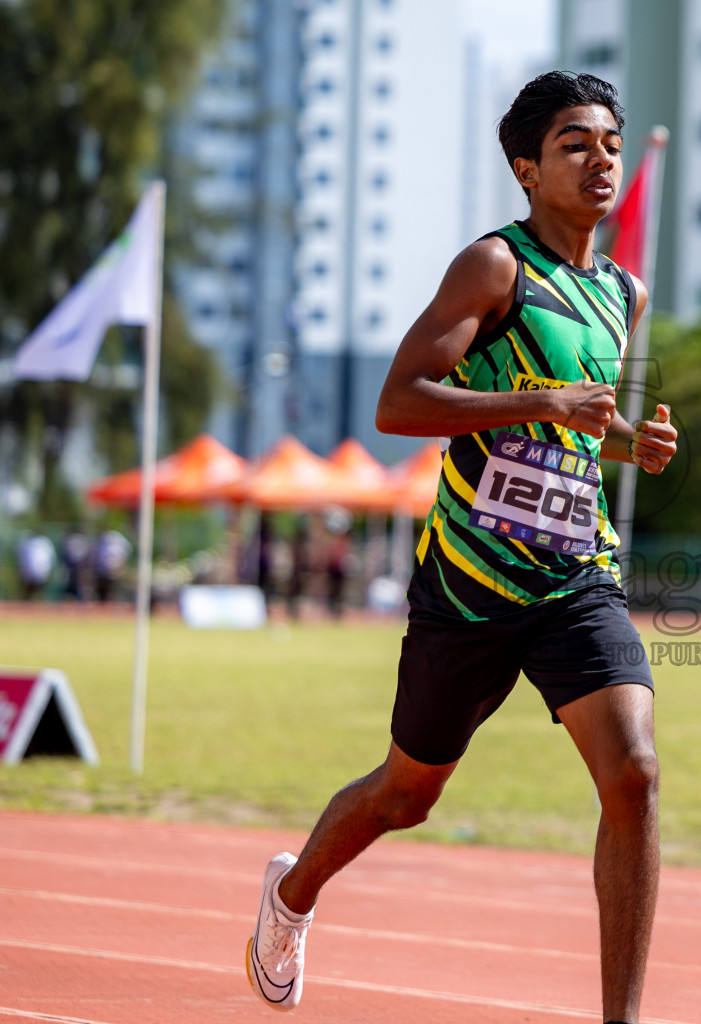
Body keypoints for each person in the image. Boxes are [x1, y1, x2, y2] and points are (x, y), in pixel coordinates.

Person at [246, 72, 678, 1024]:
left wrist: (624, 441)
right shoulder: (494, 268)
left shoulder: (622, 292)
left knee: (635, 771)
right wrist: (544, 403)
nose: (601, 159)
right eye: (575, 144)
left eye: (608, 142)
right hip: (472, 585)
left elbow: (573, 423)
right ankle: (292, 893)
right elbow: (398, 403)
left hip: (575, 573)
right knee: (408, 793)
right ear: (527, 169)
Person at [92, 529, 129, 604]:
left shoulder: (118, 548)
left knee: (115, 590)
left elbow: (122, 561)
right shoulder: (104, 548)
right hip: (103, 573)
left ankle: (114, 602)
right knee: (102, 591)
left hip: (116, 573)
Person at [16, 532, 55, 601]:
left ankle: (33, 602)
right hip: (40, 570)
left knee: (33, 591)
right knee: (36, 591)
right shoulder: (45, 542)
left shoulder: (31, 543)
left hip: (33, 570)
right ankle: (36, 601)